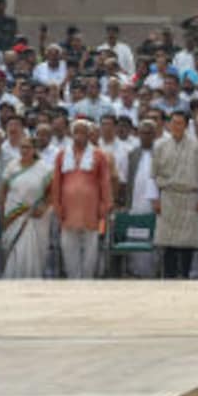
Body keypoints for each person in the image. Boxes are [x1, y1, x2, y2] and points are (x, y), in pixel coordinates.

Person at [150, 111, 198, 279]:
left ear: (186, 125)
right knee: (168, 242)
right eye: (173, 122)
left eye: (180, 123)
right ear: (168, 124)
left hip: (189, 196)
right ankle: (168, 277)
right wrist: (154, 199)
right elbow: (152, 175)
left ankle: (185, 275)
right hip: (167, 196)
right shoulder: (160, 145)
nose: (176, 126)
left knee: (187, 242)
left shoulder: (197, 146)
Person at [51, 119, 113, 279]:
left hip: (91, 211)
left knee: (91, 248)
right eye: (76, 132)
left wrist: (105, 205)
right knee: (68, 247)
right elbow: (56, 182)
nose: (79, 136)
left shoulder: (99, 155)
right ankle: (73, 281)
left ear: (89, 135)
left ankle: (87, 281)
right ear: (71, 134)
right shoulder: (62, 155)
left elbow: (105, 182)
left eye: (83, 132)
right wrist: (57, 205)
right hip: (68, 211)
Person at [0, 138, 53, 278]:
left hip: (35, 217)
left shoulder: (44, 169)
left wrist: (44, 207)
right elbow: (3, 190)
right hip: (13, 215)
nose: (24, 151)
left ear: (34, 149)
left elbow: (52, 192)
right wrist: (2, 211)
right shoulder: (12, 166)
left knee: (33, 251)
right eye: (22, 147)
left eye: (27, 147)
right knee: (14, 250)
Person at [124, 120, 160, 277]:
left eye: (149, 133)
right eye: (142, 133)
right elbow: (128, 181)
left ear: (155, 135)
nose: (145, 136)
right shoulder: (132, 154)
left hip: (155, 205)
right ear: (138, 134)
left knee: (153, 240)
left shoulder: (161, 153)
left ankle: (154, 274)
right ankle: (136, 273)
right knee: (136, 238)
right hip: (136, 203)